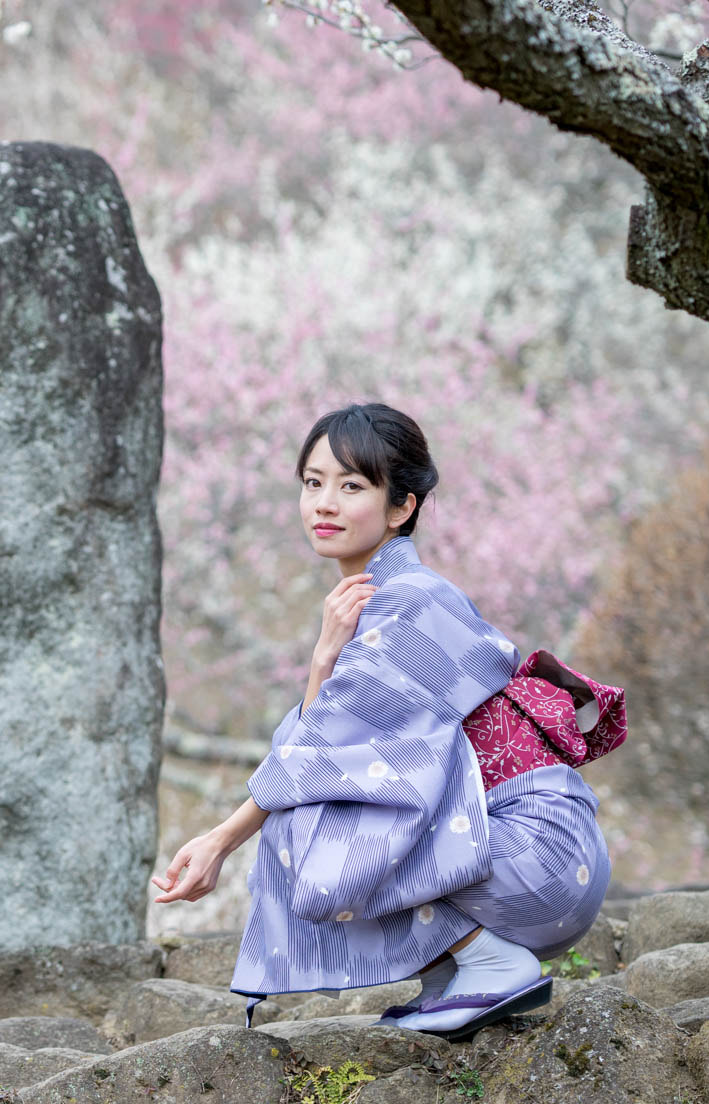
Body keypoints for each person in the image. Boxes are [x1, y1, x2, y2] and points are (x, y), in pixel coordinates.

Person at [150, 403, 611, 1040]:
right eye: (313, 483)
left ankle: (488, 958)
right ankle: (452, 971)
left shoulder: (411, 600)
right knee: (315, 807)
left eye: (352, 486)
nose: (324, 504)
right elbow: (319, 745)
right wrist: (323, 658)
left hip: (535, 857)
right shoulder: (372, 603)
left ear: (402, 507)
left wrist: (221, 841)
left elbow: (318, 759)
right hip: (523, 858)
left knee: (307, 826)